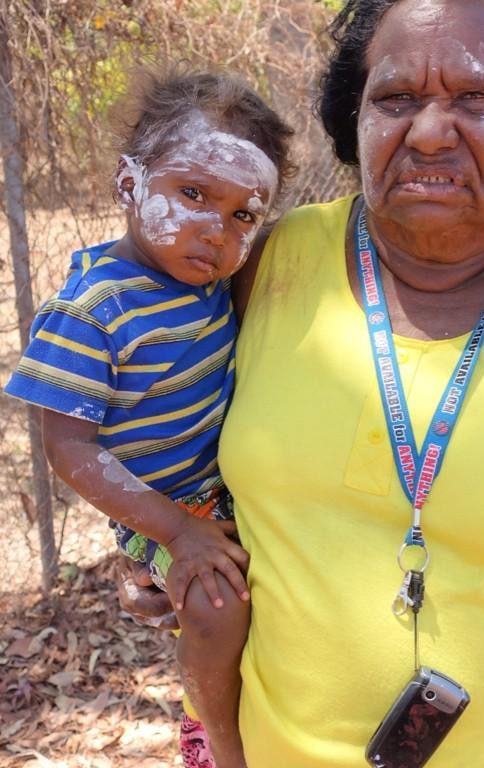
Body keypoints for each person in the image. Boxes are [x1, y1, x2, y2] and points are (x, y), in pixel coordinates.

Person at [119, 0, 484, 768]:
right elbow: (156, 425)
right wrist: (147, 545)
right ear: (355, 119)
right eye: (395, 99)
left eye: (479, 98)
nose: (428, 131)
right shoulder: (266, 267)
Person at [5, 69, 294, 768]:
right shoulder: (93, 308)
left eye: (241, 216)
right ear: (129, 183)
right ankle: (215, 737)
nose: (213, 229)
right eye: (192, 193)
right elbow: (68, 446)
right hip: (165, 509)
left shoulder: (212, 283)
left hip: (228, 492)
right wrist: (173, 532)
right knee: (216, 609)